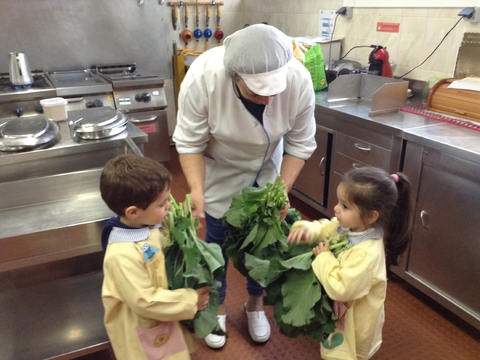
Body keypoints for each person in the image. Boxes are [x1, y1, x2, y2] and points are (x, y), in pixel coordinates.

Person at [172, 23, 317, 349]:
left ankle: (254, 304)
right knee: (216, 247)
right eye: (255, 92)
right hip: (219, 172)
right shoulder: (203, 79)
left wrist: (281, 190)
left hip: (268, 170)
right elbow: (189, 142)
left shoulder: (297, 79)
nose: (266, 100)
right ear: (233, 76)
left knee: (263, 247)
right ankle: (217, 307)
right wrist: (196, 190)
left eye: (272, 92)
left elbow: (300, 143)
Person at [287, 166, 413, 360]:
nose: (336, 208)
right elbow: (328, 228)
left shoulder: (366, 254)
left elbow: (341, 288)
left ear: (371, 215)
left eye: (345, 206)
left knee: (344, 353)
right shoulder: (350, 226)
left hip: (354, 322)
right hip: (341, 311)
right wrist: (308, 230)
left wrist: (324, 257)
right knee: (334, 346)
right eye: (339, 202)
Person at [100, 154, 210, 360]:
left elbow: (164, 231)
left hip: (163, 312)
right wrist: (191, 300)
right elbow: (145, 301)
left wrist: (184, 219)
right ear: (133, 212)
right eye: (162, 204)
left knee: (171, 349)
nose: (168, 206)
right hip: (142, 322)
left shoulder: (147, 221)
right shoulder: (121, 254)